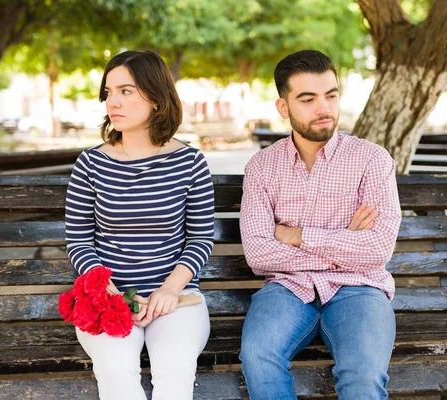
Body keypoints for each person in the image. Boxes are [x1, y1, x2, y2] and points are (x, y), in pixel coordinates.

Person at [239, 49, 402, 399]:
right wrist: (344, 242)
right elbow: (258, 254)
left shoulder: (371, 160)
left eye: (330, 95)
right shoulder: (262, 167)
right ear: (283, 107)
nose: (323, 108)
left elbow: (377, 249)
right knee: (258, 355)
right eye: (308, 98)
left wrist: (297, 236)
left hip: (360, 287)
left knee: (363, 372)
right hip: (288, 287)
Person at [65, 50, 214, 400]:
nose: (113, 101)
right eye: (108, 92)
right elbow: (79, 242)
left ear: (157, 98)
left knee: (175, 370)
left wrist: (168, 290)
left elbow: (201, 239)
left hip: (177, 299)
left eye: (126, 91)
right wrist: (113, 292)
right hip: (108, 298)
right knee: (117, 373)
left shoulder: (190, 162)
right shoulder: (90, 164)